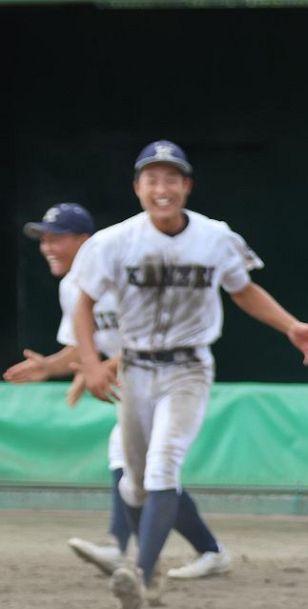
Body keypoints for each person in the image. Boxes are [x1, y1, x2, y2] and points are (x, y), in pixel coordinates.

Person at [74, 140, 308, 609]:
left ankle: (141, 577)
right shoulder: (113, 241)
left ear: (187, 186)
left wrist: (291, 325)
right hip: (137, 366)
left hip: (188, 367)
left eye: (172, 178)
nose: (162, 188)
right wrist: (88, 361)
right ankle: (145, 570)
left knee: (163, 465)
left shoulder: (215, 237)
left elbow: (243, 289)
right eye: (152, 179)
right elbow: (84, 301)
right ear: (137, 188)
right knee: (134, 484)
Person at [6, 203, 233, 584]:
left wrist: (103, 366)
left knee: (153, 466)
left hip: (173, 377)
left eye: (56, 238)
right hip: (137, 385)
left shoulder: (125, 271)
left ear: (87, 241)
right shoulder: (70, 288)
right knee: (142, 469)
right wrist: (50, 366)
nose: (47, 247)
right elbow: (83, 346)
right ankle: (196, 551)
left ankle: (131, 552)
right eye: (43, 239)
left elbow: (158, 335)